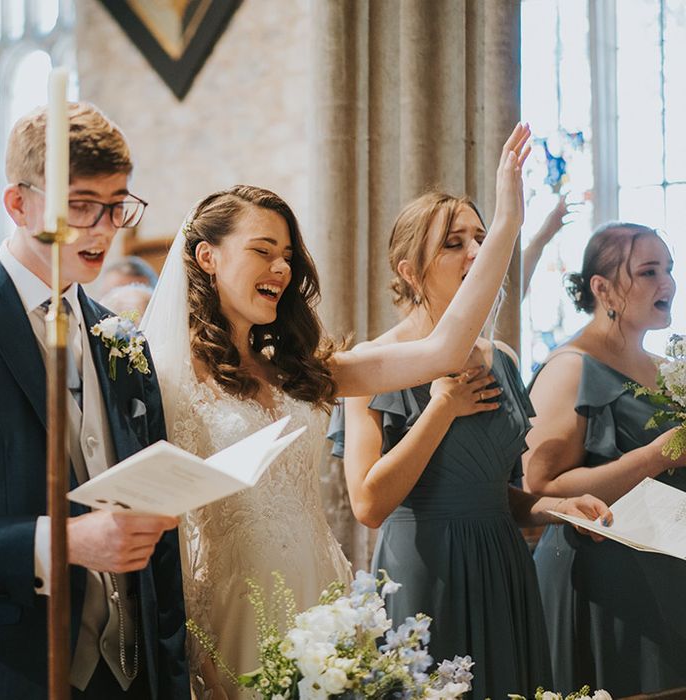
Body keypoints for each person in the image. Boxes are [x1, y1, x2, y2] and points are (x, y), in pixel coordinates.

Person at [142, 124, 533, 698]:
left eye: (287, 256)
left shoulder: (306, 371)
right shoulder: (167, 377)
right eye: (262, 251)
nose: (280, 268)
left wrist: (508, 225)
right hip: (234, 597)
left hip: (320, 589)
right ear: (206, 257)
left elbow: (444, 350)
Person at [0, 102, 188, 699]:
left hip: (126, 676)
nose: (104, 227)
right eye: (81, 205)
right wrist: (56, 543)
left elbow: (159, 553)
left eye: (118, 204)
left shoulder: (122, 338)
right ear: (18, 203)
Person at [329, 190, 612, 700]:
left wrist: (553, 507)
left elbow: (496, 490)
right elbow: (368, 504)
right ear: (410, 271)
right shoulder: (370, 362)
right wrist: (441, 407)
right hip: (425, 572)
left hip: (503, 567)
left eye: (482, 238)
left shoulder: (501, 358)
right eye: (454, 243)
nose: (477, 253)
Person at [523, 222, 686, 696]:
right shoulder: (569, 367)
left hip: (666, 579)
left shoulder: (667, 372)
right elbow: (539, 487)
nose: (668, 284)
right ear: (602, 288)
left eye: (670, 269)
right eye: (649, 271)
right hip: (603, 586)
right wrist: (655, 457)